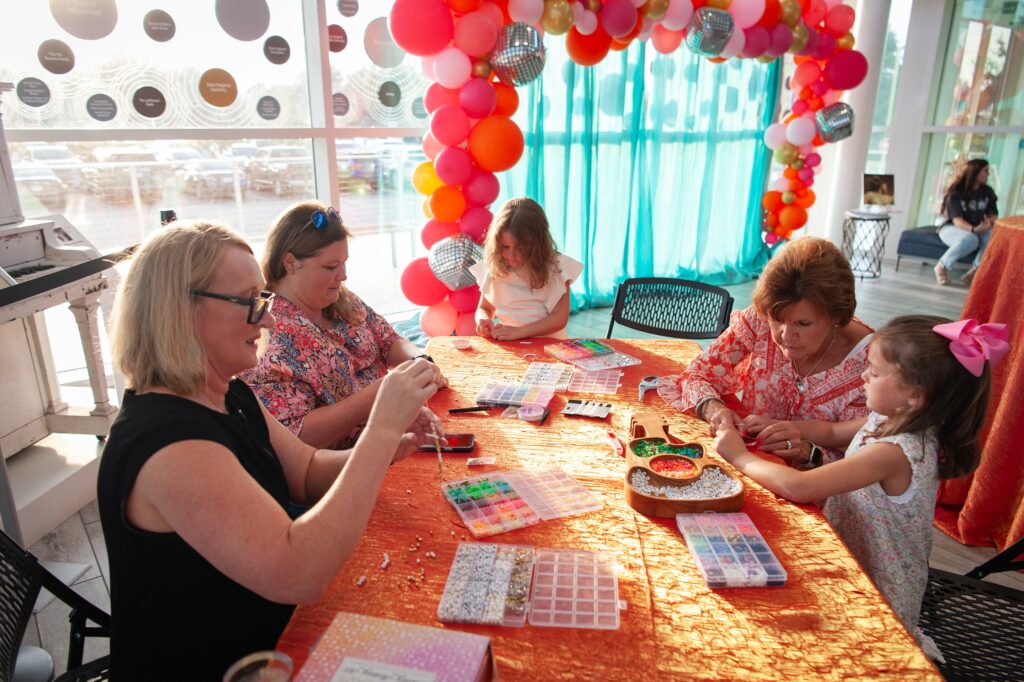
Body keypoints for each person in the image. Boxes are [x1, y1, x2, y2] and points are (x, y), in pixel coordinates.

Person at [98, 223, 442, 680]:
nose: (271, 320)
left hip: (269, 644)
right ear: (178, 311)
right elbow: (298, 571)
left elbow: (305, 471)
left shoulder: (231, 393)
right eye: (250, 301)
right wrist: (378, 429)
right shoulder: (169, 445)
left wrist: (388, 448)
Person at [713, 315, 1005, 661]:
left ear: (914, 395)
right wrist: (782, 425)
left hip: (875, 596)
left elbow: (799, 486)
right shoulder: (891, 416)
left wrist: (739, 456)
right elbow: (833, 433)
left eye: (875, 372)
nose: (863, 377)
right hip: (850, 556)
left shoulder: (896, 452)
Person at [241, 201, 447, 450]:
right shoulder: (267, 333)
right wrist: (381, 396)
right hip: (341, 467)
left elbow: (388, 339)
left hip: (390, 436)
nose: (343, 275)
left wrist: (418, 360)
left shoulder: (340, 298)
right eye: (331, 266)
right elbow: (295, 436)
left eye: (344, 263)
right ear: (291, 263)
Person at [658, 237, 873, 466]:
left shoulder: (874, 365)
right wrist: (714, 409)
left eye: (803, 324)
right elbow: (695, 374)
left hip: (811, 491)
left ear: (837, 317)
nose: (786, 336)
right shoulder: (763, 314)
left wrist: (809, 453)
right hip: (746, 467)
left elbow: (864, 465)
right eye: (777, 320)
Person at [469, 197, 582, 340]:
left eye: (521, 248)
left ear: (537, 243)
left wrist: (520, 332)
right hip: (514, 345)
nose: (512, 255)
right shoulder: (496, 265)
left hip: (549, 345)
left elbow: (559, 319)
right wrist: (483, 320)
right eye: (505, 247)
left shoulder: (555, 268)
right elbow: (485, 308)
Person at [934, 158, 998, 286]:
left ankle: (975, 270)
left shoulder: (987, 192)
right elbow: (957, 220)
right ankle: (941, 266)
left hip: (978, 228)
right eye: (985, 171)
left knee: (993, 237)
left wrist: (988, 222)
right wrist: (974, 230)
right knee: (971, 239)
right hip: (952, 228)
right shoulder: (956, 193)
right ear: (975, 172)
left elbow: (994, 214)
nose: (988, 174)